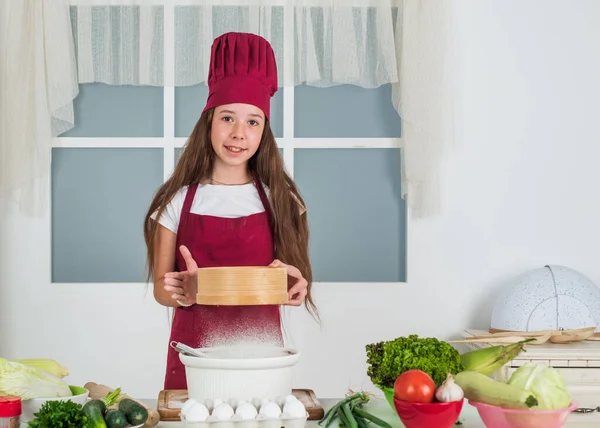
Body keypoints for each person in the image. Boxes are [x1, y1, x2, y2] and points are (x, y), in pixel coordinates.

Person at [143, 32, 318, 390]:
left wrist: (296, 283)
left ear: (264, 130)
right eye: (227, 118)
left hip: (259, 356)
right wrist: (184, 290)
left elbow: (292, 279)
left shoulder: (281, 200)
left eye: (252, 121)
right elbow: (161, 289)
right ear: (208, 121)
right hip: (193, 358)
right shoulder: (176, 202)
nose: (239, 133)